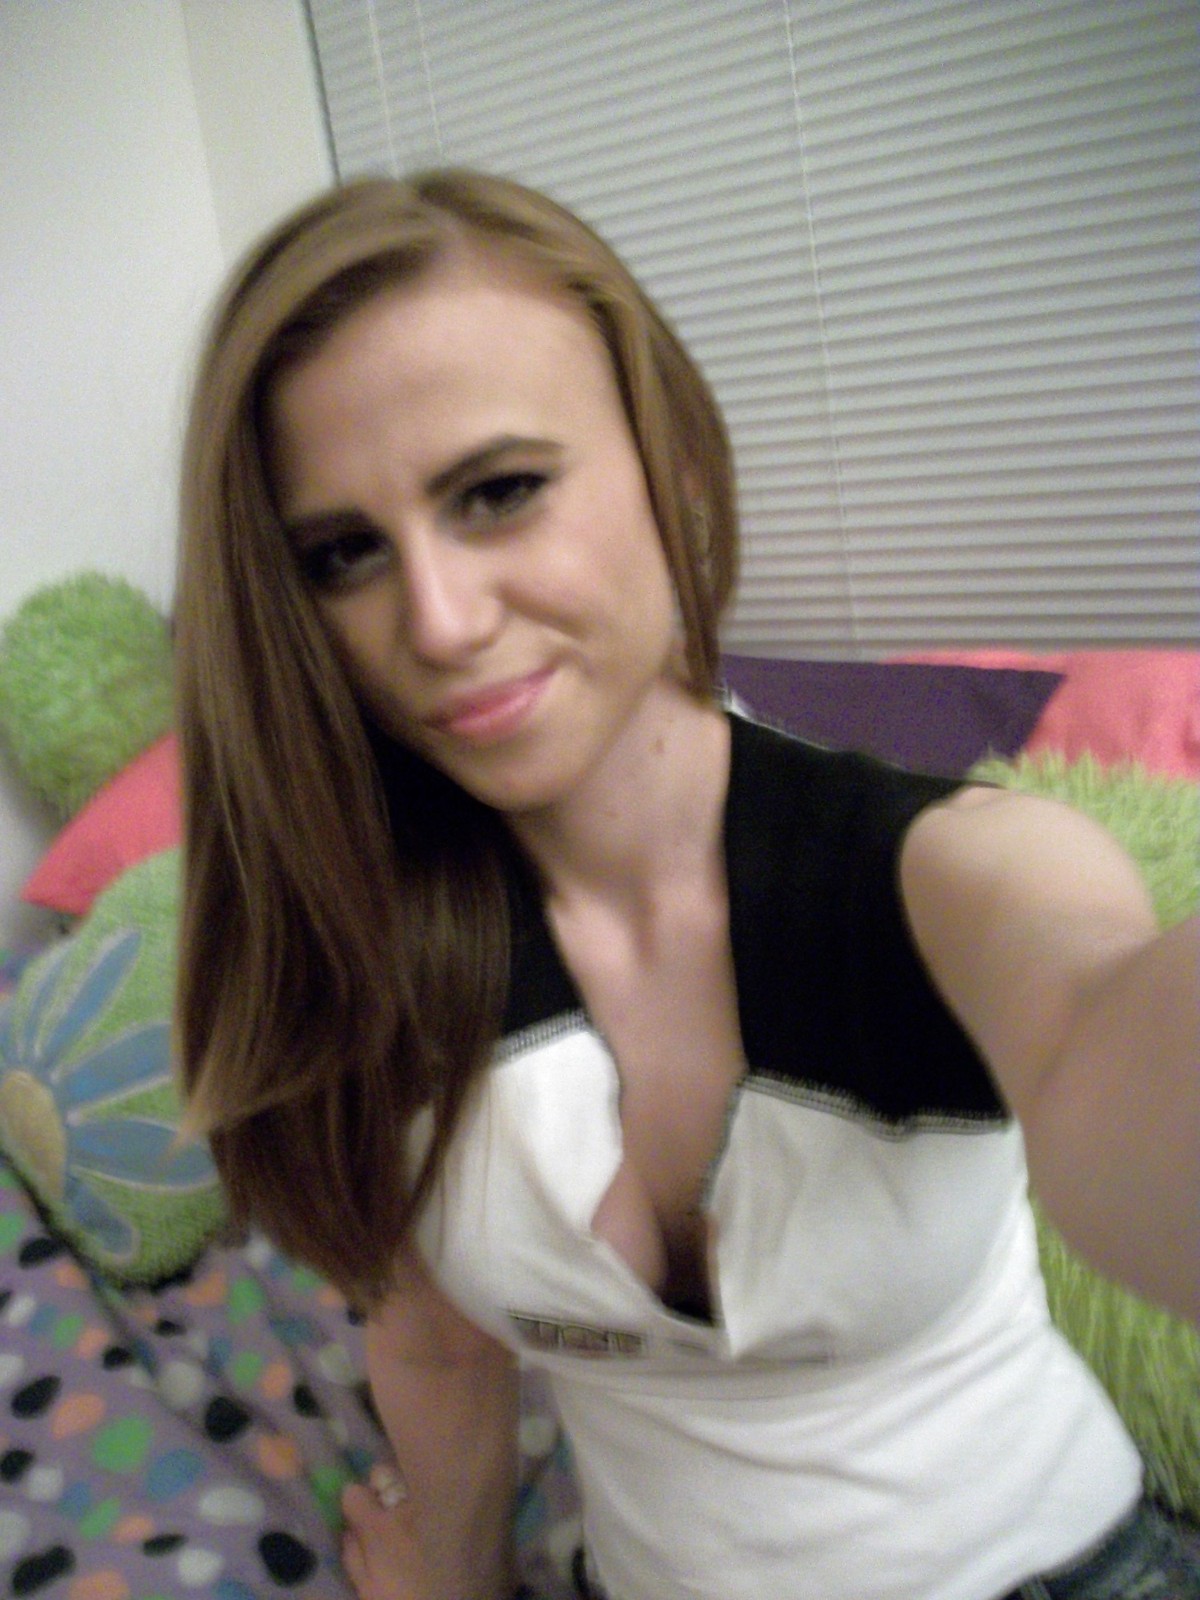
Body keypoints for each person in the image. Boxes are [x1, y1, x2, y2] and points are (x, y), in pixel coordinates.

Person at [174, 170, 1199, 1600]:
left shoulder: (959, 872)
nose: (440, 622)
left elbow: (1104, 1029)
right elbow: (438, 1346)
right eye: (345, 554)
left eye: (499, 492)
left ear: (680, 477)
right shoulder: (360, 941)